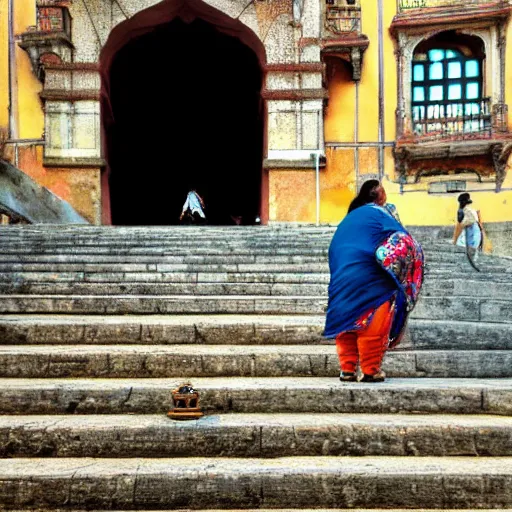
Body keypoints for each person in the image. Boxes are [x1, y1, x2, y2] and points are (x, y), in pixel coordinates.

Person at [324, 179, 424, 383]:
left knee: (347, 319)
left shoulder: (350, 218)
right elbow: (404, 239)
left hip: (342, 274)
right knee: (373, 319)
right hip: (370, 272)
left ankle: (347, 368)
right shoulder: (380, 214)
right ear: (379, 196)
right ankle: (370, 369)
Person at [452, 193, 484, 269]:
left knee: (463, 246)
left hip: (471, 231)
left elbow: (460, 226)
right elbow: (479, 224)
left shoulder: (462, 211)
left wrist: (455, 240)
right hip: (475, 231)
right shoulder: (472, 210)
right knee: (471, 249)